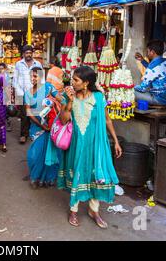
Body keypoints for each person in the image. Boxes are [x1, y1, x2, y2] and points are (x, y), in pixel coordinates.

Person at [57, 66, 122, 229]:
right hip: (76, 146)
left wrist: (116, 141)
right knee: (77, 174)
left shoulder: (99, 98)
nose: (72, 82)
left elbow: (107, 120)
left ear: (86, 83)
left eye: (76, 80)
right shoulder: (68, 96)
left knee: (95, 175)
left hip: (95, 145)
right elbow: (64, 120)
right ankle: (73, 210)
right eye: (72, 78)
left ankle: (94, 211)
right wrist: (70, 101)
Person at [25, 67, 61, 189]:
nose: (32, 79)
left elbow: (61, 99)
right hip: (37, 127)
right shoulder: (28, 93)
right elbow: (29, 113)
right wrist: (42, 125)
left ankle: (48, 178)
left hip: (52, 126)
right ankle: (35, 177)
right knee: (35, 154)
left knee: (51, 152)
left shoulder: (49, 87)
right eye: (31, 76)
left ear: (41, 77)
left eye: (35, 76)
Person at [13, 45, 43, 144]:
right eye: (27, 53)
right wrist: (18, 93)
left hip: (35, 92)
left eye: (30, 53)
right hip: (23, 93)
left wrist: (41, 91)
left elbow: (41, 78)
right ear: (23, 54)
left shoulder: (37, 63)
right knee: (24, 115)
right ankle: (23, 135)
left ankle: (34, 133)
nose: (28, 54)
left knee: (35, 113)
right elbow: (15, 79)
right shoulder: (18, 64)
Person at [134, 40, 166, 105]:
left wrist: (131, 86)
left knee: (131, 92)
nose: (147, 53)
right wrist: (142, 60)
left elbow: (143, 88)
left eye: (148, 51)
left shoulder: (151, 68)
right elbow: (156, 71)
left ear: (152, 52)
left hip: (159, 99)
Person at [0, 62, 13, 132]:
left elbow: (8, 88)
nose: (1, 70)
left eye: (2, 69)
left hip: (5, 96)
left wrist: (9, 98)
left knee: (6, 111)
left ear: (5, 69)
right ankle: (1, 125)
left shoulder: (7, 77)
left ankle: (9, 124)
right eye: (0, 69)